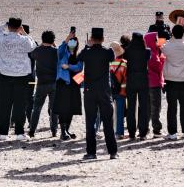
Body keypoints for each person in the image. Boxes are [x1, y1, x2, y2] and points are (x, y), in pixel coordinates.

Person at [78, 27, 118, 160]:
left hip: (90, 91)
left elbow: (79, 57)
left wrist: (87, 46)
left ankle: (91, 152)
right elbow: (113, 57)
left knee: (90, 122)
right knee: (108, 122)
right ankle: (112, 152)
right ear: (103, 39)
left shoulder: (87, 52)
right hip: (104, 91)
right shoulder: (108, 52)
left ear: (91, 39)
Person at [0, 18, 36, 140]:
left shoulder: (3, 38)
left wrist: (4, 25)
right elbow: (33, 46)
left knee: (4, 105)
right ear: (19, 27)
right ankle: (19, 133)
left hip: (5, 75)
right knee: (20, 105)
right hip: (21, 76)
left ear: (9, 26)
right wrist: (24, 32)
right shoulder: (24, 40)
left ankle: (3, 133)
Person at [161, 24, 184, 139]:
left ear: (173, 34)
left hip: (171, 79)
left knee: (172, 107)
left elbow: (162, 45)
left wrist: (171, 37)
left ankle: (173, 133)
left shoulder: (168, 47)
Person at [28, 30, 58, 138]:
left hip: (41, 83)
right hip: (53, 83)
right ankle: (54, 130)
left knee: (36, 108)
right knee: (54, 109)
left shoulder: (37, 50)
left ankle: (32, 130)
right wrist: (54, 45)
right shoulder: (55, 51)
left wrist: (41, 45)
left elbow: (32, 55)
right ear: (53, 40)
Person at [55, 33, 83, 140]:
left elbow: (79, 67)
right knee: (63, 108)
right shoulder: (63, 53)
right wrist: (67, 38)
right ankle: (63, 132)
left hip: (74, 84)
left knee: (72, 108)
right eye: (71, 41)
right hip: (63, 83)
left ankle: (67, 129)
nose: (72, 43)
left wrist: (68, 66)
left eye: (74, 41)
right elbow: (60, 50)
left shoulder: (78, 55)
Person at [123, 31, 150, 140]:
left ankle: (131, 133)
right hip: (143, 79)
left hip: (131, 79)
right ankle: (143, 133)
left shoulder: (127, 51)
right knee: (143, 107)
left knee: (131, 108)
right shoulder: (146, 51)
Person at [144, 30, 166, 137]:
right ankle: (156, 130)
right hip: (154, 84)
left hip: (146, 84)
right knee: (156, 108)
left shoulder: (146, 53)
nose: (157, 41)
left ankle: (145, 129)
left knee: (146, 108)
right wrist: (162, 60)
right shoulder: (153, 55)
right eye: (155, 40)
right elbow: (158, 68)